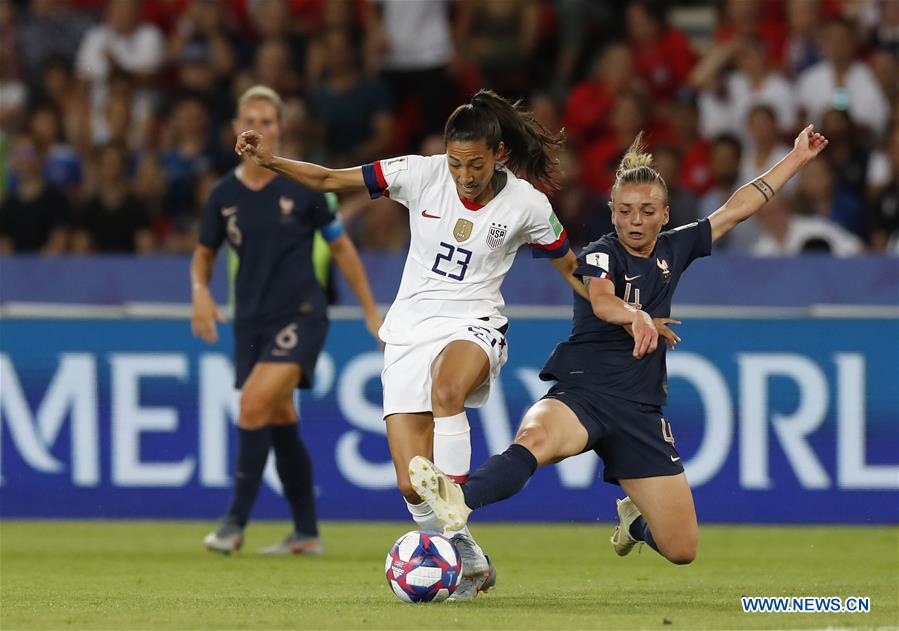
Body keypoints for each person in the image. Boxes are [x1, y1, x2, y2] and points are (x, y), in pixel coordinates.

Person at [409, 125, 829, 569]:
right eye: (625, 211)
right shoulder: (600, 253)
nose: (635, 221)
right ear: (612, 213)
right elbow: (604, 300)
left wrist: (797, 159)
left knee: (682, 549)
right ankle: (459, 497)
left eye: (647, 211)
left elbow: (736, 209)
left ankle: (634, 524)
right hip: (583, 396)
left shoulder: (675, 249)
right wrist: (637, 316)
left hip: (639, 411)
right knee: (534, 439)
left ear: (665, 215)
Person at [235, 89, 590, 600]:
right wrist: (270, 160)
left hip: (475, 322)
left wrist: (619, 312)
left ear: (499, 156)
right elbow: (331, 180)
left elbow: (572, 269)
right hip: (408, 331)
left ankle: (458, 500)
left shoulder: (529, 205)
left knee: (448, 389)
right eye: (455, 163)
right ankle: (468, 557)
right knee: (410, 485)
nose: (464, 175)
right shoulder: (420, 174)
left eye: (474, 164)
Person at [192, 85, 381, 556]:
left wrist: (370, 310)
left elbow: (341, 247)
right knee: (279, 418)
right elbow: (203, 255)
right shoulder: (222, 194)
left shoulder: (303, 184)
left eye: (268, 121)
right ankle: (307, 533)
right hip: (250, 321)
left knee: (254, 404)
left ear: (279, 129)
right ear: (236, 127)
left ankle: (233, 525)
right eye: (249, 119)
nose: (257, 128)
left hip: (301, 313)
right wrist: (199, 291)